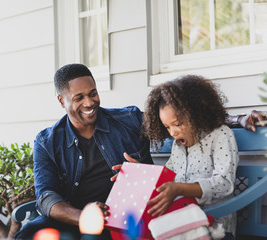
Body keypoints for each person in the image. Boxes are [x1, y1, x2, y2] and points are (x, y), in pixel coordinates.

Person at [15, 64, 266, 240]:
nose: (89, 102)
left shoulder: (129, 120)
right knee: (30, 232)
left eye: (93, 93)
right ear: (62, 100)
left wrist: (238, 118)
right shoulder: (47, 141)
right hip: (76, 214)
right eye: (79, 97)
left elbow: (188, 117)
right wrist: (85, 216)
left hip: (125, 215)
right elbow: (46, 197)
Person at [115, 75, 241, 239]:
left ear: (196, 114)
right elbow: (165, 176)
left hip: (216, 228)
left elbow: (225, 184)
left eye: (178, 123)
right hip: (181, 225)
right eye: (167, 126)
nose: (172, 132)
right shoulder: (178, 145)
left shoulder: (221, 135)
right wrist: (138, 174)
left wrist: (179, 189)